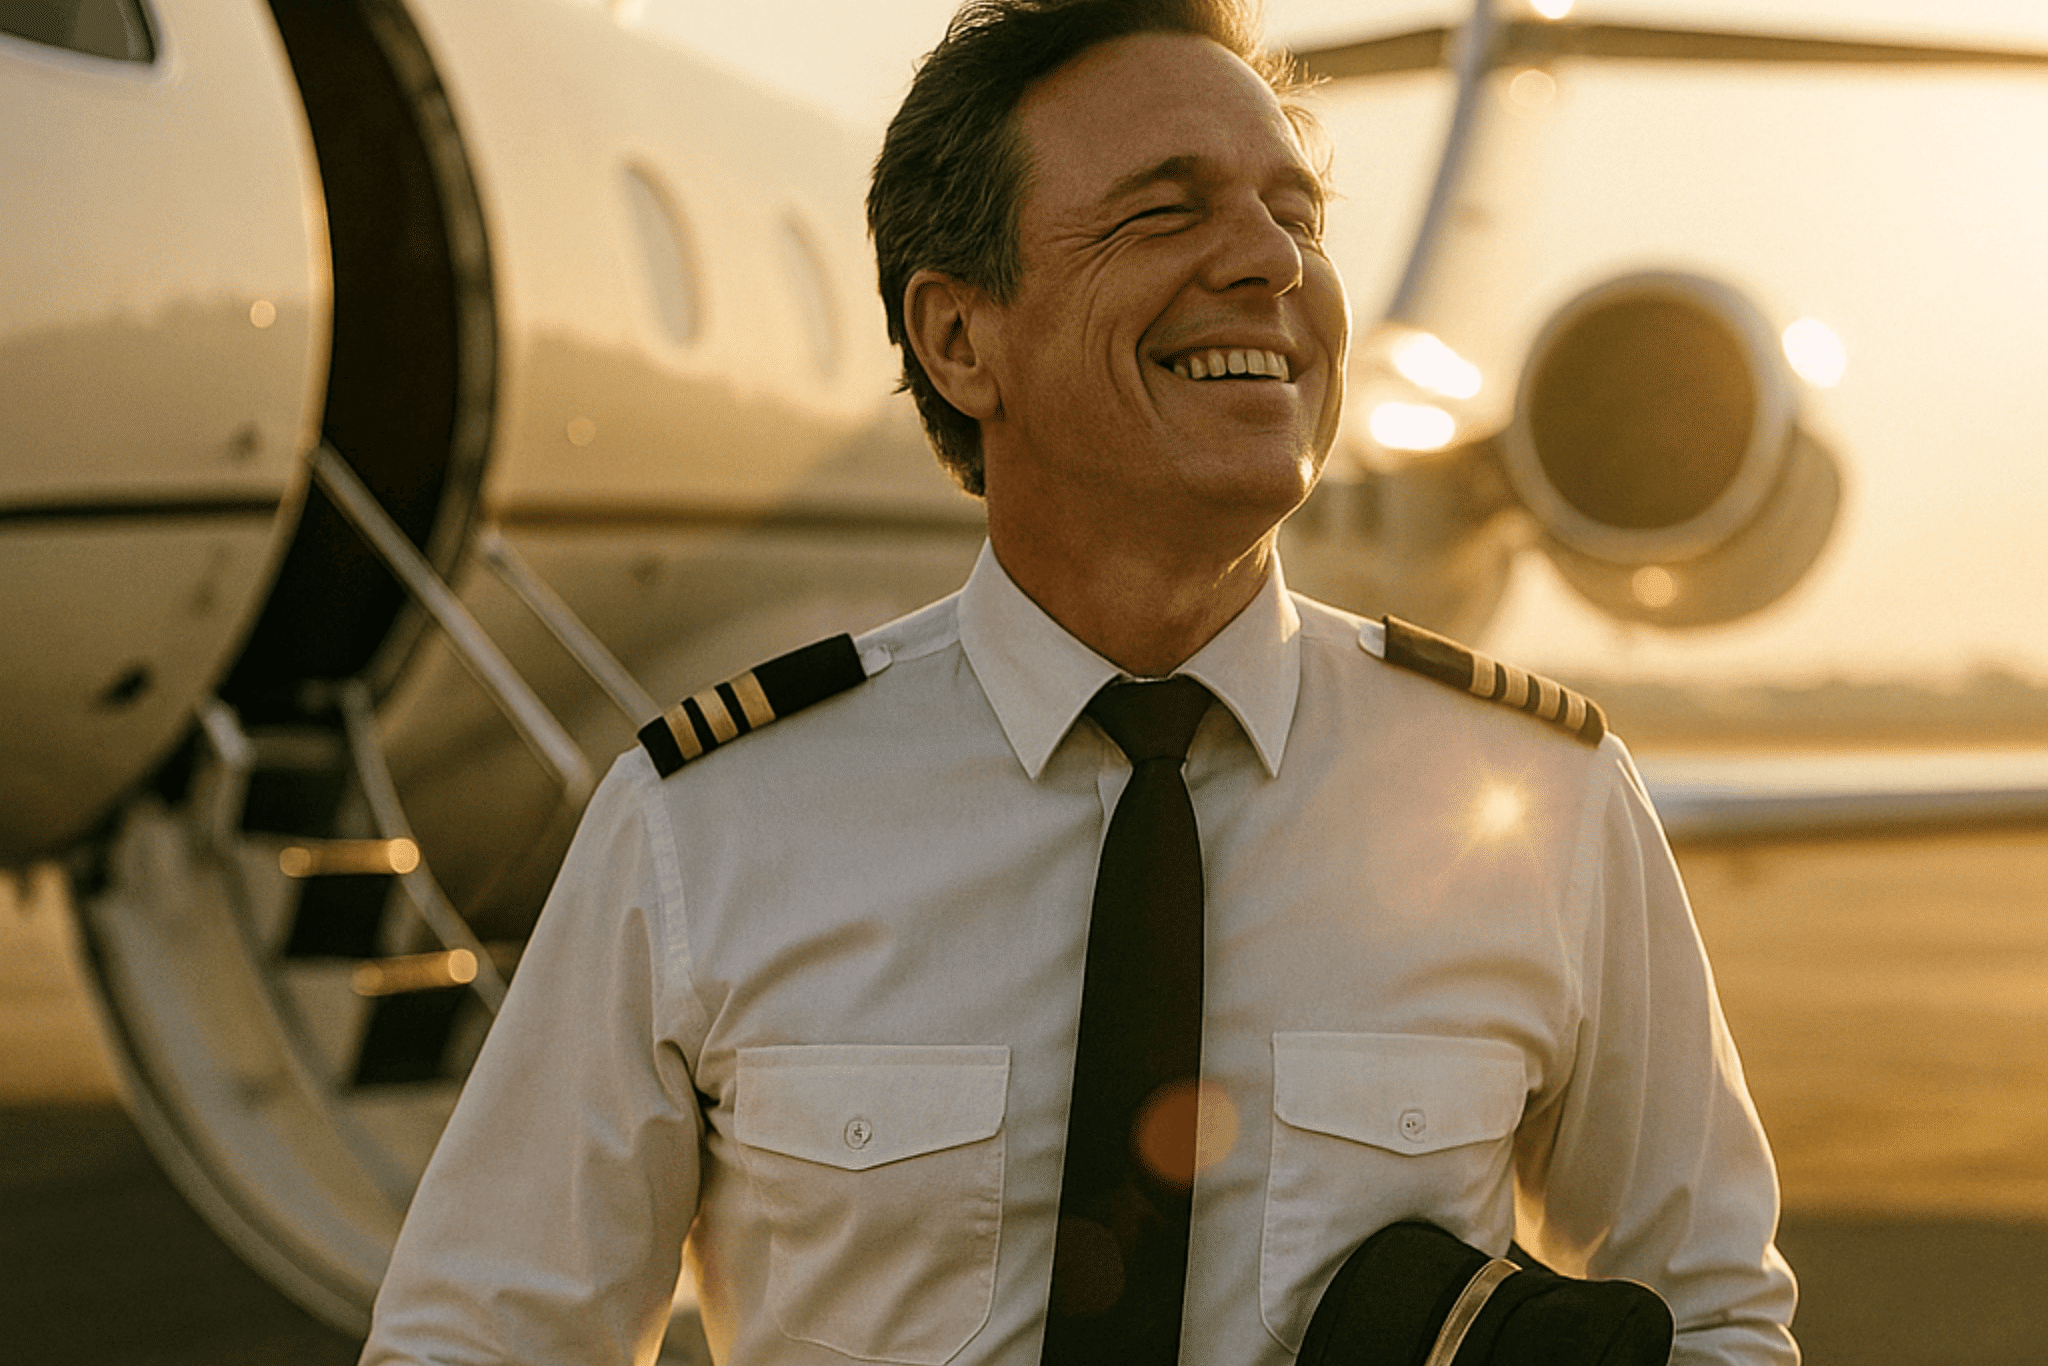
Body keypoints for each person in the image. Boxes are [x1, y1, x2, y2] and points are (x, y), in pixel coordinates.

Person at [361, 1, 1798, 1363]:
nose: (1271, 263)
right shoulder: (704, 829)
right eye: (1165, 209)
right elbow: (478, 1333)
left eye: (1293, 213)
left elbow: (1714, 1311)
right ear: (957, 337)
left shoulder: (1538, 805)